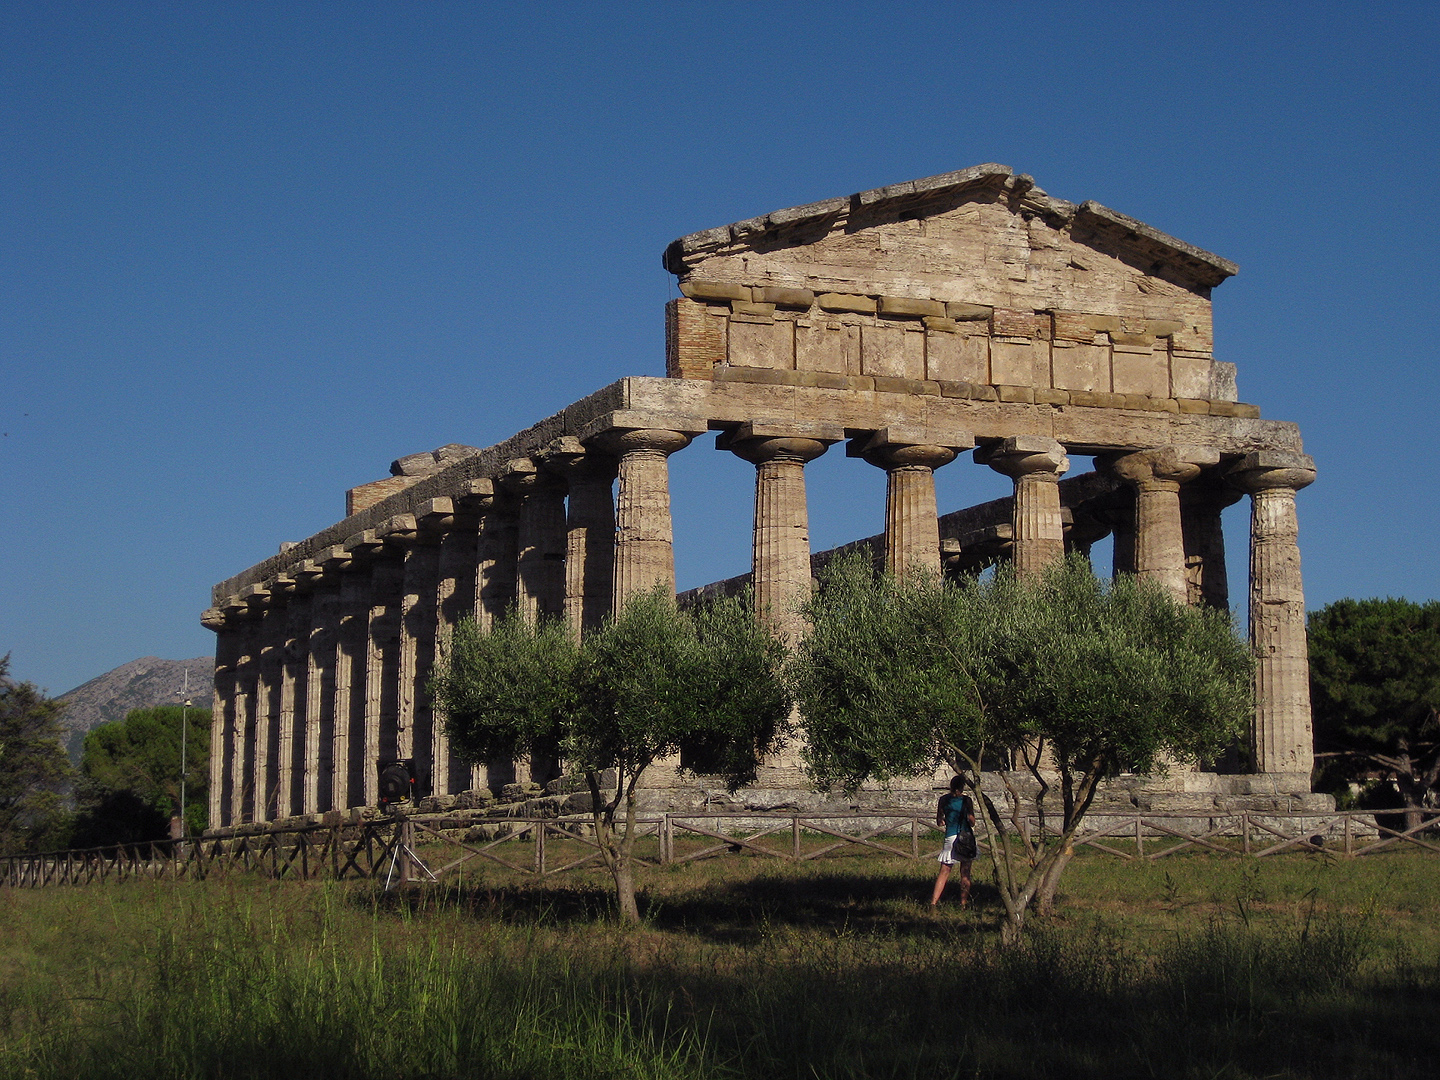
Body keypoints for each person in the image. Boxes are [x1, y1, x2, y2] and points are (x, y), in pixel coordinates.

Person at [930, 774, 976, 907]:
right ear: (963, 787)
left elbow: (939, 821)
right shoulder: (967, 800)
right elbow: (972, 822)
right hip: (965, 836)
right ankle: (963, 904)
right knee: (965, 872)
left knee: (944, 871)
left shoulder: (943, 799)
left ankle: (933, 902)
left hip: (950, 836)